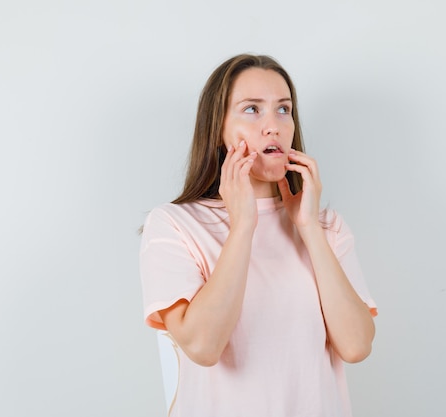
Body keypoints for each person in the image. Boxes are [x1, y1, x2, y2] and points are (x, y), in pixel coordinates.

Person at [139, 53, 377, 417]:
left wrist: (309, 229)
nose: (274, 126)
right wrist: (243, 225)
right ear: (218, 128)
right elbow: (203, 346)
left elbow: (357, 346)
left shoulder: (326, 227)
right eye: (252, 110)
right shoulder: (174, 225)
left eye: (284, 110)